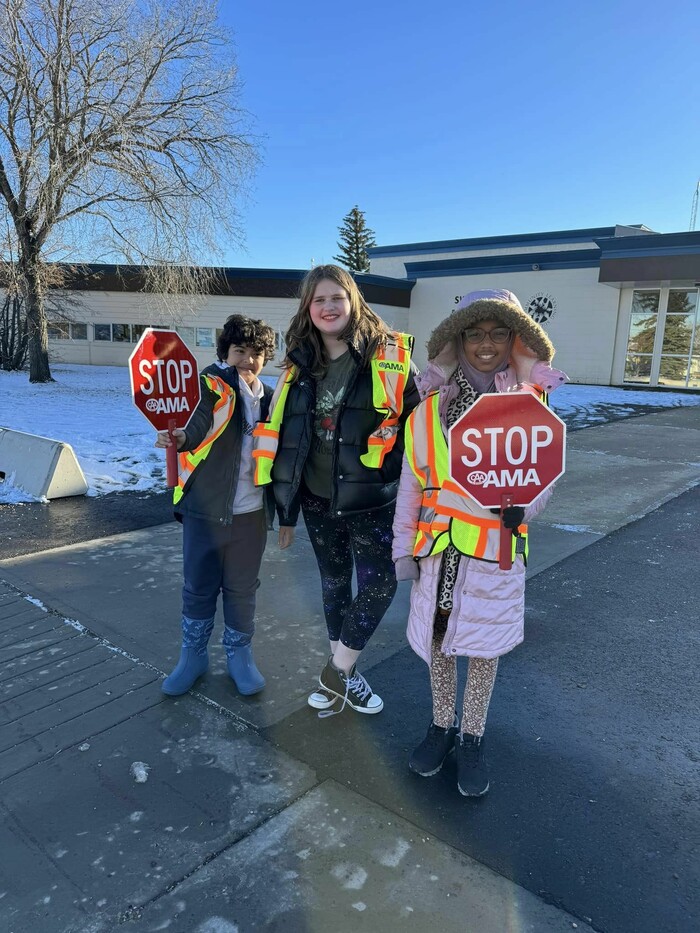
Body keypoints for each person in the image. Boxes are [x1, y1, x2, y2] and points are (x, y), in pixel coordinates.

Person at [392, 289, 568, 796]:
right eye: (474, 332)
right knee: (440, 640)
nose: (485, 343)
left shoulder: (529, 401)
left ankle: (472, 738)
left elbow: (544, 476)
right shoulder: (430, 407)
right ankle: (441, 725)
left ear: (514, 338)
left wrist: (524, 508)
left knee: (484, 649)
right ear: (458, 339)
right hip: (438, 552)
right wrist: (404, 548)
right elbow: (412, 481)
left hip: (494, 550)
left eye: (497, 332)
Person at [253, 264, 420, 715]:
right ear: (308, 307)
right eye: (319, 299)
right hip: (315, 497)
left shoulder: (391, 356)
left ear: (354, 301)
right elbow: (286, 437)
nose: (328, 307)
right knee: (333, 581)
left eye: (337, 297)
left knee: (380, 581)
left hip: (372, 497)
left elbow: (420, 427)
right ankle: (345, 675)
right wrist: (285, 510)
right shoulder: (298, 365)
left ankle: (337, 672)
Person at [155, 314, 276, 697]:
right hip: (205, 511)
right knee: (199, 586)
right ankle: (193, 656)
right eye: (240, 350)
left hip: (251, 513)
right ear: (225, 352)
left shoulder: (272, 399)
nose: (248, 359)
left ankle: (240, 656)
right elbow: (197, 423)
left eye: (257, 353)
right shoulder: (210, 387)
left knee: (242, 588)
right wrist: (181, 436)